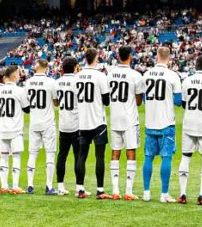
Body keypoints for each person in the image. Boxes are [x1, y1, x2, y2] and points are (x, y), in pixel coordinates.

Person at [142, 46, 182, 203]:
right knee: (166, 157)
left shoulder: (146, 74)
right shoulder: (173, 75)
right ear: (169, 58)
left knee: (148, 157)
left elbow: (144, 98)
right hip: (166, 123)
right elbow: (178, 101)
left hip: (150, 122)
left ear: (156, 57)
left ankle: (146, 192)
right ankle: (164, 193)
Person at [107, 46, 144, 201]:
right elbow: (139, 100)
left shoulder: (110, 74)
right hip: (129, 119)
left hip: (115, 117)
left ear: (118, 56)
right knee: (131, 152)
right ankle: (128, 191)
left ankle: (115, 190)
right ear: (130, 56)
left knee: (115, 152)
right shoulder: (136, 75)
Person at [75, 48, 112, 199]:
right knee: (100, 156)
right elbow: (106, 101)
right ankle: (100, 190)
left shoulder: (77, 77)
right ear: (96, 58)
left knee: (82, 156)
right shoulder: (100, 76)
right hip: (97, 121)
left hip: (82, 121)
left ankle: (81, 189)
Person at [178, 55, 202, 205]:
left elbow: (184, 104)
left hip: (189, 123)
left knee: (186, 157)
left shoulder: (187, 81)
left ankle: (182, 194)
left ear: (196, 65)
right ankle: (201, 196)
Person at [25, 59, 59, 195]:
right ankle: (49, 186)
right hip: (47, 122)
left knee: (33, 153)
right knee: (50, 154)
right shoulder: (51, 82)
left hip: (34, 122)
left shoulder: (28, 82)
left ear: (37, 66)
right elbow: (56, 103)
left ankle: (30, 185)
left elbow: (26, 101)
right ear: (47, 68)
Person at [0, 65, 30, 194]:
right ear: (15, 76)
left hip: (2, 127)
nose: (19, 75)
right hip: (15, 128)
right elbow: (27, 109)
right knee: (16, 156)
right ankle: (15, 186)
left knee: (4, 156)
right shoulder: (19, 91)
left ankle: (4, 186)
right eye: (18, 73)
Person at [56, 57, 80, 196]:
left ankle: (60, 186)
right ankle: (79, 186)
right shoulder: (77, 82)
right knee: (78, 156)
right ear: (75, 67)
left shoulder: (57, 83)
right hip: (76, 123)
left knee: (62, 155)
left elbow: (56, 102)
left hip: (63, 124)